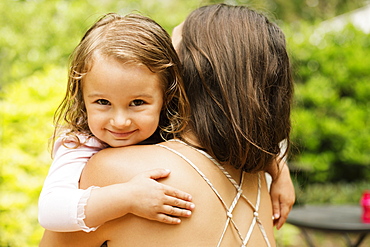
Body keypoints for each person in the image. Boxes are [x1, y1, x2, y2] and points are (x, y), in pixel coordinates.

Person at [40, 3, 294, 246]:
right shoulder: (256, 173)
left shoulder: (114, 171)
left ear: (187, 73)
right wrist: (279, 169)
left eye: (173, 47)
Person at [38, 13, 195, 233]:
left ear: (166, 97)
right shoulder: (81, 145)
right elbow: (50, 210)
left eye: (137, 102)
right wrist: (128, 197)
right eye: (103, 102)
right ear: (82, 98)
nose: (120, 122)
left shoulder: (178, 136)